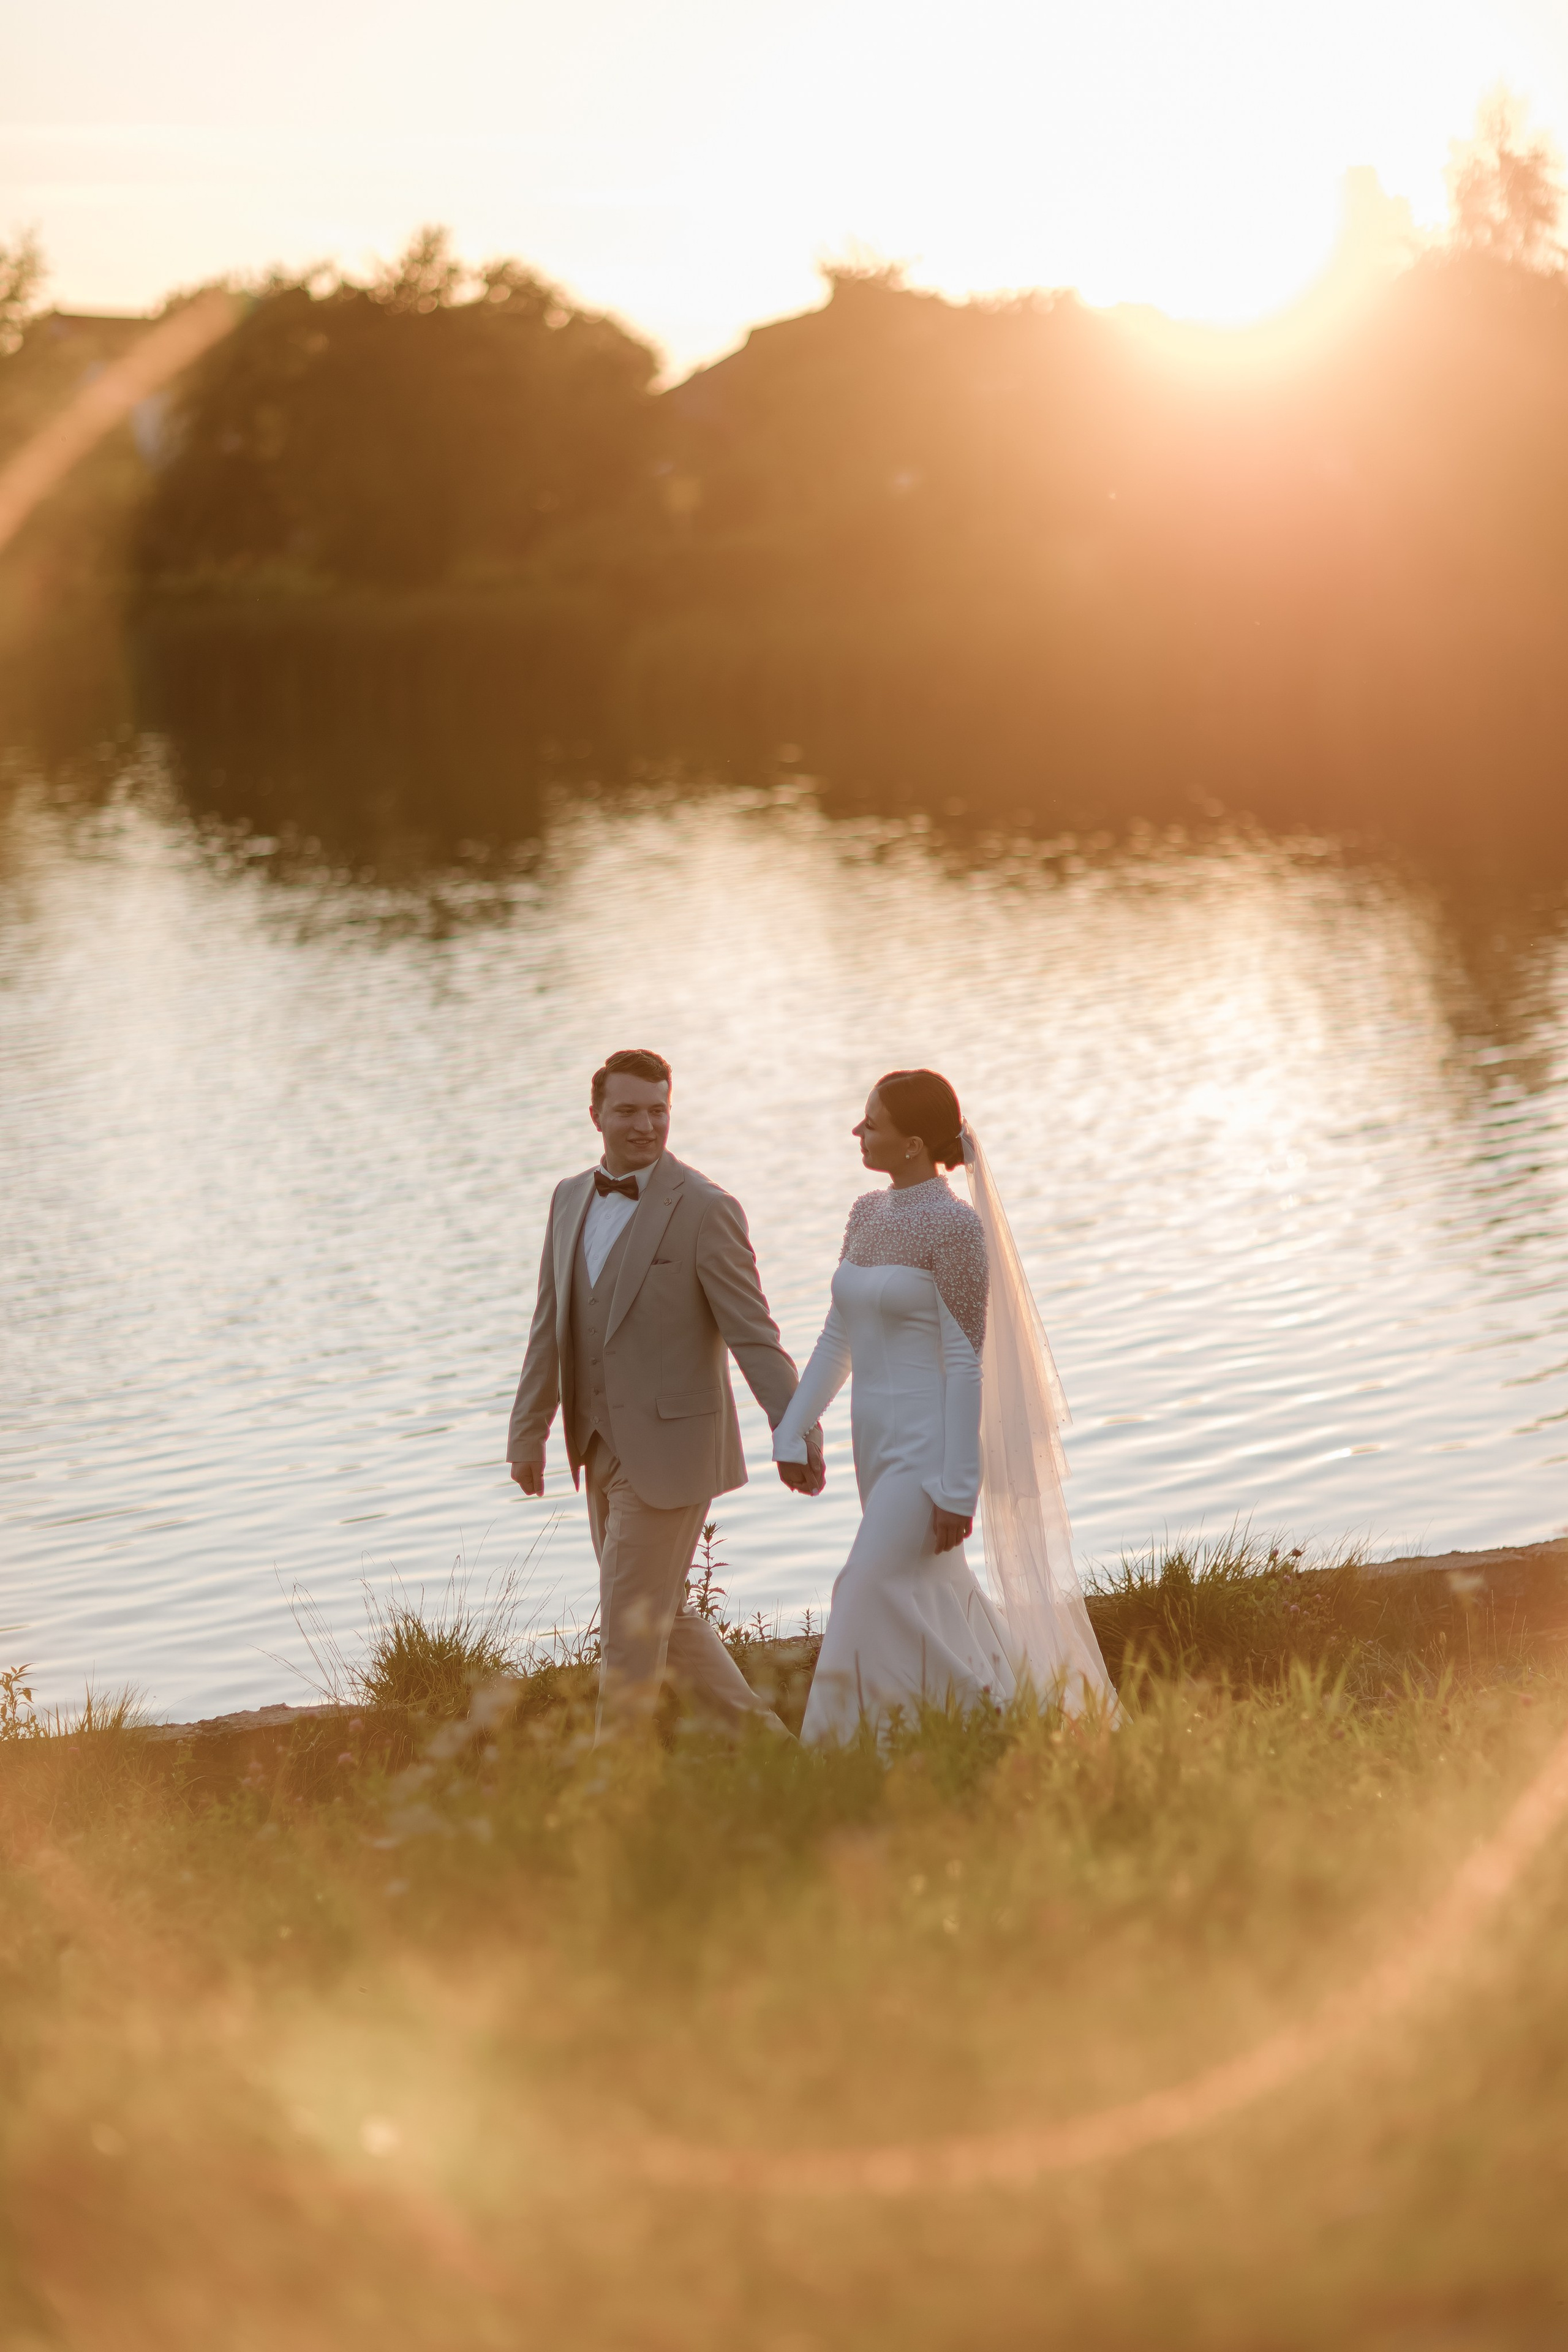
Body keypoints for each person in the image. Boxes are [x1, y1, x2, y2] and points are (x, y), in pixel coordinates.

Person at [772, 1068, 1116, 1744]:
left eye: (870, 1122)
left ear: (912, 1143)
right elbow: (837, 1335)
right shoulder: (864, 1215)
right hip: (872, 1445)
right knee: (929, 1594)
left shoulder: (956, 1230)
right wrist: (793, 1425)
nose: (857, 1130)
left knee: (862, 1589)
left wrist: (959, 1485)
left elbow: (966, 1361)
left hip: (929, 1452)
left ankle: (839, 1754)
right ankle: (1018, 1726)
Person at [507, 1048, 823, 1737]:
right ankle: (776, 1756)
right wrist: (528, 1431)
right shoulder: (567, 1199)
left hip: (673, 1450)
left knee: (628, 1626)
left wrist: (794, 1429)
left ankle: (612, 1801)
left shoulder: (706, 1209)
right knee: (662, 1614)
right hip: (597, 1446)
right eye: (627, 1110)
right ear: (595, 1115)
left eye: (658, 1110)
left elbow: (754, 1334)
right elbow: (548, 1325)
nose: (646, 1126)